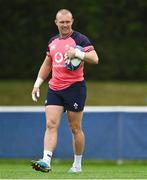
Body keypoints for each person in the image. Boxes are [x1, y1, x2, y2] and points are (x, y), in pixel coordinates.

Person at [31, 8, 99, 173]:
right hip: (54, 88)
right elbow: (48, 64)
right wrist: (37, 83)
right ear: (56, 23)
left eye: (68, 21)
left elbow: (95, 59)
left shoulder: (80, 39)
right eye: (62, 22)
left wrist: (77, 53)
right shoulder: (52, 41)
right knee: (51, 123)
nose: (65, 25)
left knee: (75, 128)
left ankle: (77, 164)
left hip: (75, 88)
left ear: (72, 21)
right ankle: (46, 160)